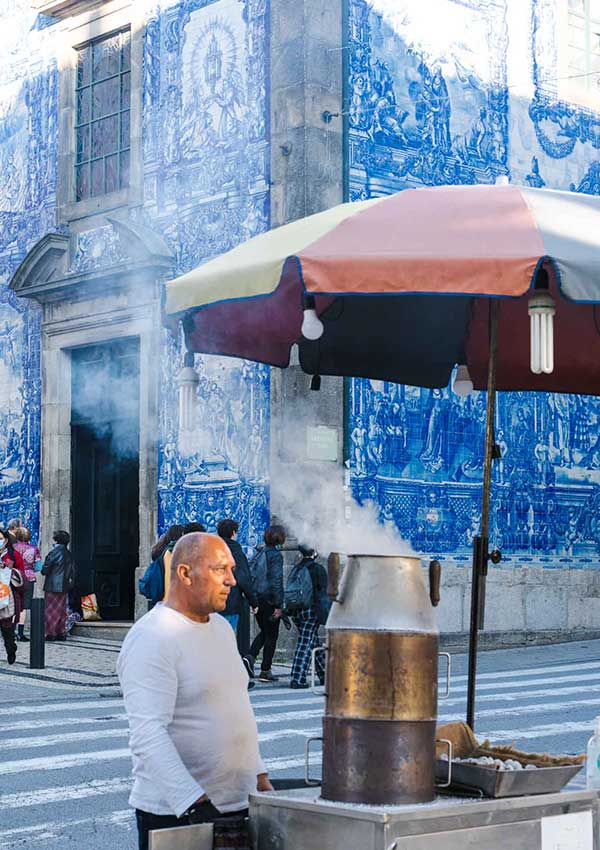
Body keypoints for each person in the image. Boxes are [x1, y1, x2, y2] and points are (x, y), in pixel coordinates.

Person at [117, 532, 273, 850]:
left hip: (237, 807)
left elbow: (236, 707)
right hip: (179, 815)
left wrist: (259, 775)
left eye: (231, 569)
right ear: (185, 573)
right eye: (220, 569)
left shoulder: (220, 629)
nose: (232, 580)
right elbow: (148, 733)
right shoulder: (152, 637)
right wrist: (195, 804)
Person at [244, 525, 285, 684]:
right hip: (269, 599)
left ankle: (250, 657)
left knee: (265, 632)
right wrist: (279, 604)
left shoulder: (259, 553)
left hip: (258, 598)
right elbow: (276, 580)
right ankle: (265, 670)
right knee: (272, 635)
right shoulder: (275, 555)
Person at [289, 545, 328, 690]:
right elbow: (323, 594)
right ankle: (297, 678)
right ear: (314, 552)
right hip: (311, 610)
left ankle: (326, 675)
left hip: (296, 609)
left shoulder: (296, 568)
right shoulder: (317, 568)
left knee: (313, 641)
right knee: (305, 642)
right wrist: (324, 614)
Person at [216, 518, 257, 635]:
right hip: (230, 602)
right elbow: (244, 579)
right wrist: (254, 602)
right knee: (226, 638)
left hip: (212, 603)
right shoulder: (237, 553)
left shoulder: (211, 551)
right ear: (233, 533)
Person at [41, 530, 76, 641]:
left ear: (56, 540)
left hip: (52, 585)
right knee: (61, 610)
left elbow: (45, 570)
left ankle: (50, 633)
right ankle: (61, 632)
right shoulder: (69, 554)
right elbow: (73, 571)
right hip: (64, 585)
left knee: (50, 610)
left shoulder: (53, 553)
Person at [13, 526, 42, 642]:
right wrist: (30, 569)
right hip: (28, 578)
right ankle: (20, 633)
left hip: (14, 577)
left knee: (13, 604)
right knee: (24, 606)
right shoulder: (34, 549)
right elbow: (39, 566)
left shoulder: (12, 548)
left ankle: (12, 631)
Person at [0, 527, 24, 664]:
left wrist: (7, 569)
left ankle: (11, 649)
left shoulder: (14, 555)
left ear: (6, 540)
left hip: (7, 597)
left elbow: (21, 575)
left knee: (7, 628)